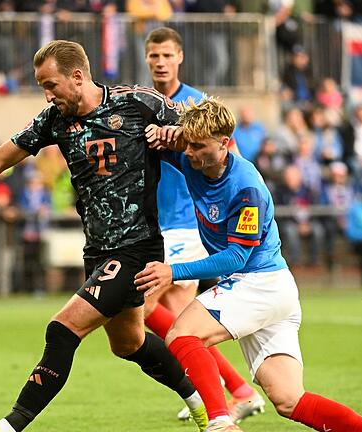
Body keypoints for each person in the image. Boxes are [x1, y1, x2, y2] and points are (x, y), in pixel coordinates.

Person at [0, 40, 207, 432]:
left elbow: (203, 130)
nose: (47, 95)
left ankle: (5, 427)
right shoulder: (54, 120)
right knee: (129, 343)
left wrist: (176, 133)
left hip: (137, 248)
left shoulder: (139, 102)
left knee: (62, 328)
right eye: (42, 87)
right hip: (98, 250)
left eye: (51, 85)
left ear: (78, 77)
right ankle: (202, 404)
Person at [135, 98, 362, 432]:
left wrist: (173, 270)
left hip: (258, 283)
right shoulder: (194, 157)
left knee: (181, 333)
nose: (190, 152)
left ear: (224, 143)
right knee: (290, 401)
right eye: (189, 144)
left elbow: (236, 257)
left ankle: (220, 422)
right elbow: (160, 143)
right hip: (272, 290)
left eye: (198, 146)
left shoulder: (246, 187)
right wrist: (158, 133)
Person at [143, 26, 264, 425]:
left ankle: (213, 404)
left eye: (166, 55)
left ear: (179, 57)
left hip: (184, 225)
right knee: (179, 322)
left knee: (144, 309)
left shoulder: (195, 105)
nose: (160, 62)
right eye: (153, 55)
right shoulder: (142, 102)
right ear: (147, 59)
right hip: (153, 223)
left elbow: (232, 159)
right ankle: (238, 392)